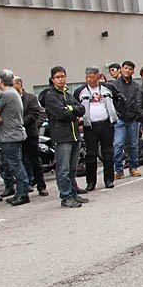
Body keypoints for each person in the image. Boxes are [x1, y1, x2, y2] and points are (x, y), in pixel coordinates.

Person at [45, 66, 86, 208]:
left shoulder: (68, 95)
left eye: (62, 76)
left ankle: (73, 193)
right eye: (57, 77)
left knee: (73, 168)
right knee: (63, 169)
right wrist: (72, 111)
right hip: (62, 137)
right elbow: (61, 114)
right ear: (52, 79)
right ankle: (66, 196)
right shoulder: (50, 96)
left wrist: (71, 109)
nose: (61, 79)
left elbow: (81, 109)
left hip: (75, 136)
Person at [0, 69, 30, 206]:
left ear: (0, 81)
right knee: (16, 163)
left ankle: (23, 193)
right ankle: (20, 192)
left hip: (9, 135)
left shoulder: (4, 95)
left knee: (15, 165)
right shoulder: (15, 93)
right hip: (16, 133)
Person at [74, 66, 117, 190]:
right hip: (90, 126)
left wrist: (115, 114)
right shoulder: (81, 91)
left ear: (98, 77)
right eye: (87, 77)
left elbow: (119, 99)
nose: (89, 80)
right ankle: (91, 182)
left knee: (107, 153)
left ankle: (109, 179)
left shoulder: (107, 88)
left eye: (92, 77)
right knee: (91, 154)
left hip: (106, 124)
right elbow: (75, 106)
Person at [13, 77, 48, 196]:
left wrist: (19, 123)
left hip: (30, 134)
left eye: (13, 84)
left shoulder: (31, 98)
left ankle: (41, 186)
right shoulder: (10, 99)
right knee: (20, 161)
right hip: (16, 135)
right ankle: (24, 186)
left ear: (19, 84)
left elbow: (35, 113)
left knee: (35, 161)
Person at [112, 60, 141, 178]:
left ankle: (133, 167)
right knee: (118, 145)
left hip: (133, 119)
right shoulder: (114, 85)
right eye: (126, 68)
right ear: (121, 69)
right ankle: (118, 169)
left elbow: (138, 102)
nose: (128, 71)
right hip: (120, 119)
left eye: (130, 69)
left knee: (133, 144)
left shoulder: (136, 86)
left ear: (133, 71)